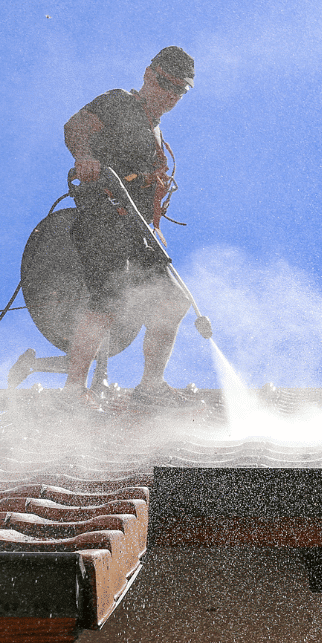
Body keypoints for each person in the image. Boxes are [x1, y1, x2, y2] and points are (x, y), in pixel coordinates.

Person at [63, 46, 195, 404]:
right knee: (108, 298)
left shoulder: (155, 132)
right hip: (103, 217)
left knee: (173, 300)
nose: (170, 95)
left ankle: (151, 386)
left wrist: (153, 229)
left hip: (139, 231)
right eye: (166, 83)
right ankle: (73, 391)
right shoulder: (120, 102)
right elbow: (76, 126)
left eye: (180, 90)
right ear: (149, 74)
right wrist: (85, 156)